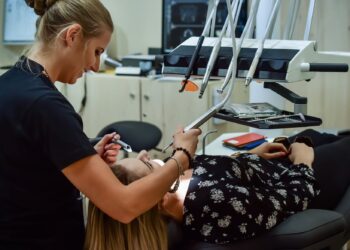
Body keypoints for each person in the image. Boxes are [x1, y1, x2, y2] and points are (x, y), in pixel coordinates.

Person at [0, 1, 200, 249]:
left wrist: (81, 158)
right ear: (72, 36)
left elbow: (24, 173)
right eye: (96, 51)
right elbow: (125, 207)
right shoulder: (47, 106)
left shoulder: (9, 84)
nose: (95, 66)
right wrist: (181, 158)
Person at [84, 136, 319, 249]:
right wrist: (303, 159)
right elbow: (294, 198)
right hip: (304, 177)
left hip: (268, 161)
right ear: (154, 200)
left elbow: (222, 174)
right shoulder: (215, 203)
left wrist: (251, 156)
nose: (144, 152)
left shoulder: (172, 179)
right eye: (146, 165)